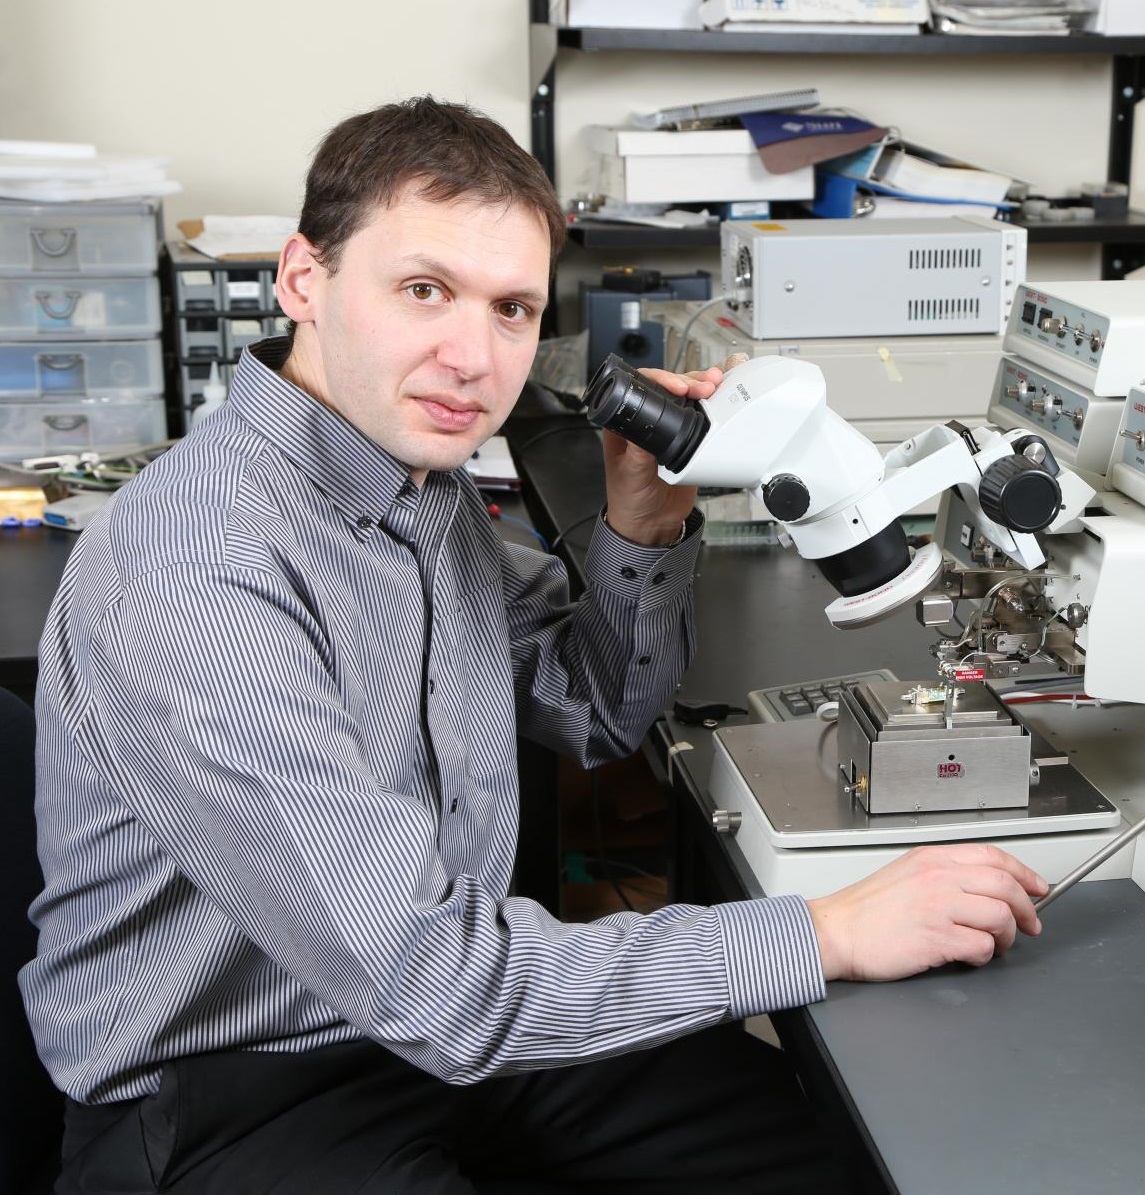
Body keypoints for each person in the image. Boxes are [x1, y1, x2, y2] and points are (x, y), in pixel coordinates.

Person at [21, 96, 1048, 1194]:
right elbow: (436, 983)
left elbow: (592, 710)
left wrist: (641, 520)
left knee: (824, 1151)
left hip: (438, 1036)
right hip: (231, 1093)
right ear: (302, 280)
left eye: (510, 309)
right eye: (426, 290)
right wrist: (819, 932)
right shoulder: (198, 569)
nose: (472, 355)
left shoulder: (421, 490)